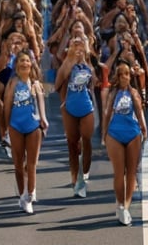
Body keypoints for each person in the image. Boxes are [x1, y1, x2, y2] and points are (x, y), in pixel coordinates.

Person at [3, 48, 48, 216]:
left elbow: (41, 104)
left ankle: (29, 196)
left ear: (31, 64)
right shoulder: (13, 83)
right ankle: (22, 194)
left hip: (33, 125)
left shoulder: (35, 83)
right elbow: (7, 105)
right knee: (18, 164)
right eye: (21, 61)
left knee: (31, 164)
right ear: (17, 66)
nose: (24, 63)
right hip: (16, 125)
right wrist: (6, 126)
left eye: (27, 61)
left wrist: (43, 119)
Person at [102, 59, 147, 225]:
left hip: (133, 133)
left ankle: (126, 206)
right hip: (115, 133)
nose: (124, 77)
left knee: (132, 172)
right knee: (119, 172)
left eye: (127, 74)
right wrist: (104, 134)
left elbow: (140, 111)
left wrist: (144, 129)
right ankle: (120, 203)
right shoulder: (112, 93)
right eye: (121, 74)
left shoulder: (134, 92)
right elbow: (107, 114)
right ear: (117, 76)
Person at [55, 31, 96, 198]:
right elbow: (58, 84)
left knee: (86, 139)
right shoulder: (67, 63)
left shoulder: (88, 63)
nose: (78, 50)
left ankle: (84, 170)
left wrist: (85, 54)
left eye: (81, 47)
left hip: (86, 106)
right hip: (69, 106)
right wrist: (69, 59)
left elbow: (95, 80)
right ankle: (75, 179)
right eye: (75, 46)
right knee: (72, 144)